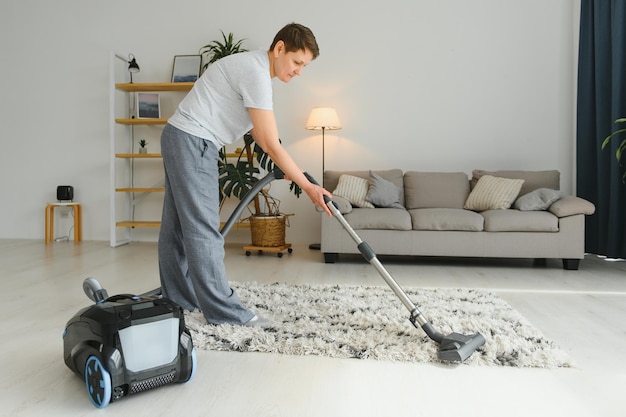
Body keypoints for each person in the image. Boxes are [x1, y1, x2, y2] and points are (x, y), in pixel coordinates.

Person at [158, 23, 332, 327]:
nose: (299, 71)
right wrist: (307, 185)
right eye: (297, 62)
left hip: (178, 136)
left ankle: (178, 299)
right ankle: (225, 314)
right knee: (203, 229)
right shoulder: (255, 73)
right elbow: (268, 142)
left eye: (304, 66)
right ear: (279, 49)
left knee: (176, 228)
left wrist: (293, 171)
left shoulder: (251, 68)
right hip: (194, 141)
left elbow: (260, 133)